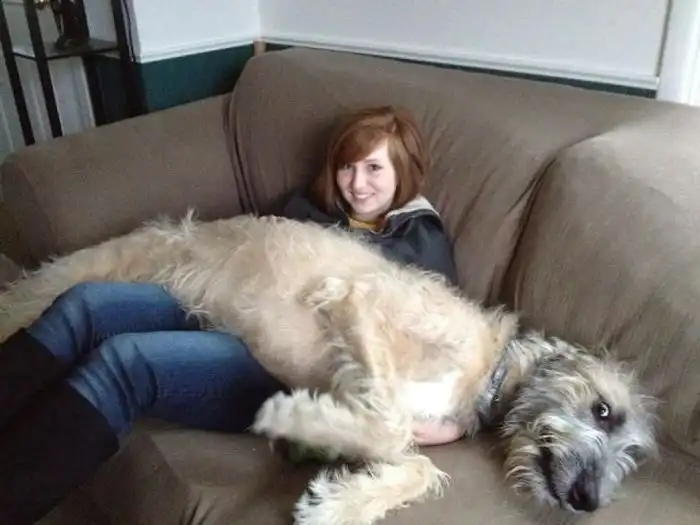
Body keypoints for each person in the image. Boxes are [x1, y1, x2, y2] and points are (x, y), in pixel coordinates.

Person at [0, 105, 460, 524]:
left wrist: (434, 425)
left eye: (374, 168)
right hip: (225, 305)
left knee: (124, 360)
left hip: (276, 369)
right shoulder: (309, 208)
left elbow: (445, 364)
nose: (357, 184)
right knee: (86, 304)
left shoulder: (420, 246)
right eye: (347, 166)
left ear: (403, 170)